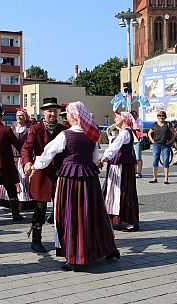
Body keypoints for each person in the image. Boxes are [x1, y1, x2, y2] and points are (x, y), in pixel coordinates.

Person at [33, 101, 118, 271]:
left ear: (74, 116)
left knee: (70, 215)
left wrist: (34, 167)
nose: (66, 117)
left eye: (68, 114)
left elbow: (47, 154)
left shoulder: (65, 135)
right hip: (89, 178)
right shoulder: (91, 135)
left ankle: (75, 257)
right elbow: (95, 159)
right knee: (93, 214)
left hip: (70, 179)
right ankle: (105, 248)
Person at [22, 97, 67, 253]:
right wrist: (27, 163)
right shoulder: (35, 129)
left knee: (61, 207)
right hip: (41, 173)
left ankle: (62, 239)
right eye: (49, 111)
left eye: (55, 111)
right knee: (40, 208)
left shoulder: (63, 129)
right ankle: (36, 240)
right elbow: (26, 148)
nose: (52, 114)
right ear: (43, 112)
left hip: (60, 173)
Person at [100, 111, 140, 232]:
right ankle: (114, 219)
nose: (115, 118)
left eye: (118, 117)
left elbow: (114, 147)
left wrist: (104, 158)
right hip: (118, 166)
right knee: (114, 192)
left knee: (122, 192)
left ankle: (128, 221)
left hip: (122, 167)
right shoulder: (123, 132)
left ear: (124, 119)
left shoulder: (125, 133)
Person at [0, 108, 34, 212]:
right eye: (17, 116)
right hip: (11, 158)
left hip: (23, 158)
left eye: (21, 116)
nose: (18, 118)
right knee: (6, 181)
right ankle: (2, 201)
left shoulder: (29, 130)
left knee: (23, 180)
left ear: (25, 117)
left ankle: (23, 203)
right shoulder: (11, 128)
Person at [147, 110, 175, 184]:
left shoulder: (168, 124)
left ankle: (166, 179)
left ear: (165, 117)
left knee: (165, 161)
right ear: (157, 117)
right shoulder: (154, 124)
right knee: (155, 160)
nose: (161, 117)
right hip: (156, 144)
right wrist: (151, 140)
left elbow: (174, 133)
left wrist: (170, 141)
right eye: (159, 116)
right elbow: (149, 133)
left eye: (163, 116)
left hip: (165, 145)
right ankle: (154, 178)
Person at [131, 110, 144, 178]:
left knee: (138, 158)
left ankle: (139, 172)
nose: (133, 117)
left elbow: (138, 129)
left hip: (137, 141)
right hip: (131, 141)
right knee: (133, 158)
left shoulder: (139, 121)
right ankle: (134, 171)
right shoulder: (131, 121)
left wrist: (133, 122)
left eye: (134, 116)